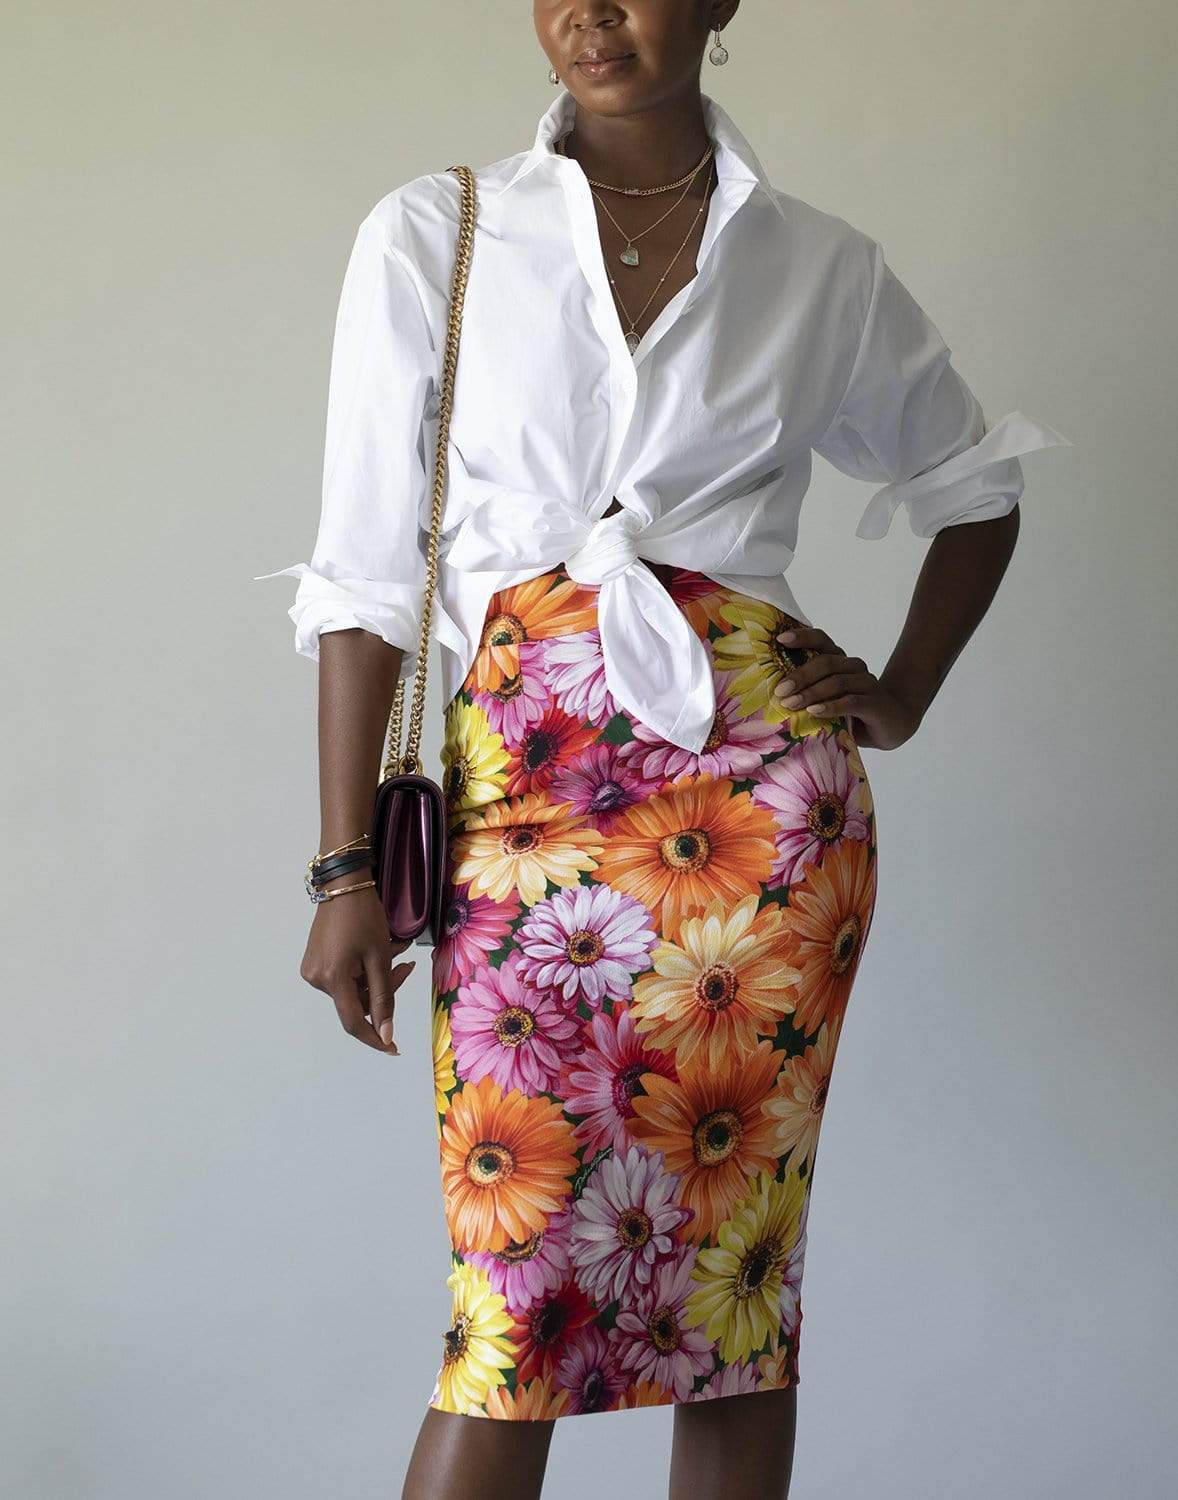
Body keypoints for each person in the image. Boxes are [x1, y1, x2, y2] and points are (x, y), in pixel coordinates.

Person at [256, 4, 1071, 1496]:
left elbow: (975, 489)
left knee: (736, 1298)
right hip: (519, 807)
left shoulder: (819, 264)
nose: (589, 11)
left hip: (764, 825)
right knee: (512, 1311)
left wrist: (898, 692)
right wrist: (342, 871)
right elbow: (363, 575)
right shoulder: (438, 232)